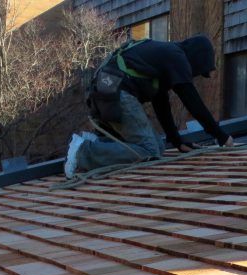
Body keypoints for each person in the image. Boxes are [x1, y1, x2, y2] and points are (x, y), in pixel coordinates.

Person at [65, 34, 234, 179]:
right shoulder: (177, 56)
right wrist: (220, 135)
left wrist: (176, 140)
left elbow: (161, 103)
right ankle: (82, 152)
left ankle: (97, 142)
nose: (193, 76)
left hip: (105, 89)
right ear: (197, 59)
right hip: (115, 90)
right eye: (198, 71)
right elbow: (191, 99)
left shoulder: (165, 56)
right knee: (150, 151)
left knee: (158, 147)